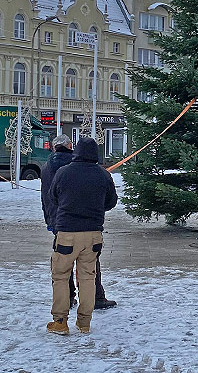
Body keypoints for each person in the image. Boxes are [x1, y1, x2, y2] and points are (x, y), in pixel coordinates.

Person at [45, 137, 117, 334]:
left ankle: (60, 321)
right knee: (87, 277)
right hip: (93, 234)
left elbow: (54, 197)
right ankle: (84, 322)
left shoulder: (63, 172)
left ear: (75, 151)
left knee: (60, 276)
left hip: (67, 233)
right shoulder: (103, 175)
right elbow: (111, 202)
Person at [41, 134, 76, 308]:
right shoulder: (76, 165)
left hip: (58, 221)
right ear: (70, 146)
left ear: (54, 148)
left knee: (62, 263)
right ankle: (94, 296)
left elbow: (45, 197)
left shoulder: (47, 167)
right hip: (79, 221)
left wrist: (49, 219)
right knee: (88, 263)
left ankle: (67, 297)